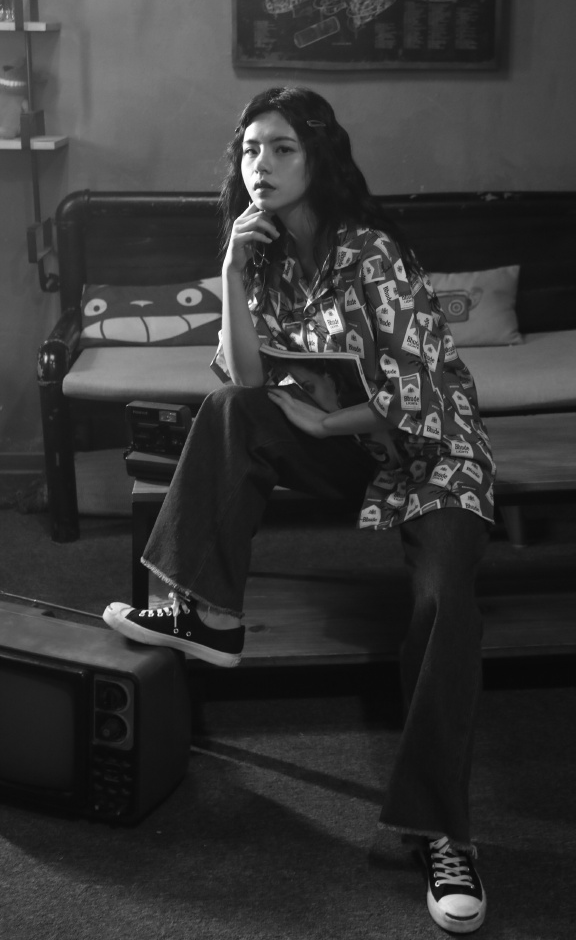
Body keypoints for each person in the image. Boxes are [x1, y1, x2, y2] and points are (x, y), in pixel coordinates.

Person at [103, 86, 495, 934]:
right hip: (351, 456)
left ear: (319, 158)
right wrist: (231, 272)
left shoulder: (372, 253)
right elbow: (245, 381)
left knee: (443, 606)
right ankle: (209, 615)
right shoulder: (263, 252)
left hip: (433, 456)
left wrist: (322, 421)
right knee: (229, 410)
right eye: (250, 149)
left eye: (282, 148)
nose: (262, 165)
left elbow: (423, 391)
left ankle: (443, 833)